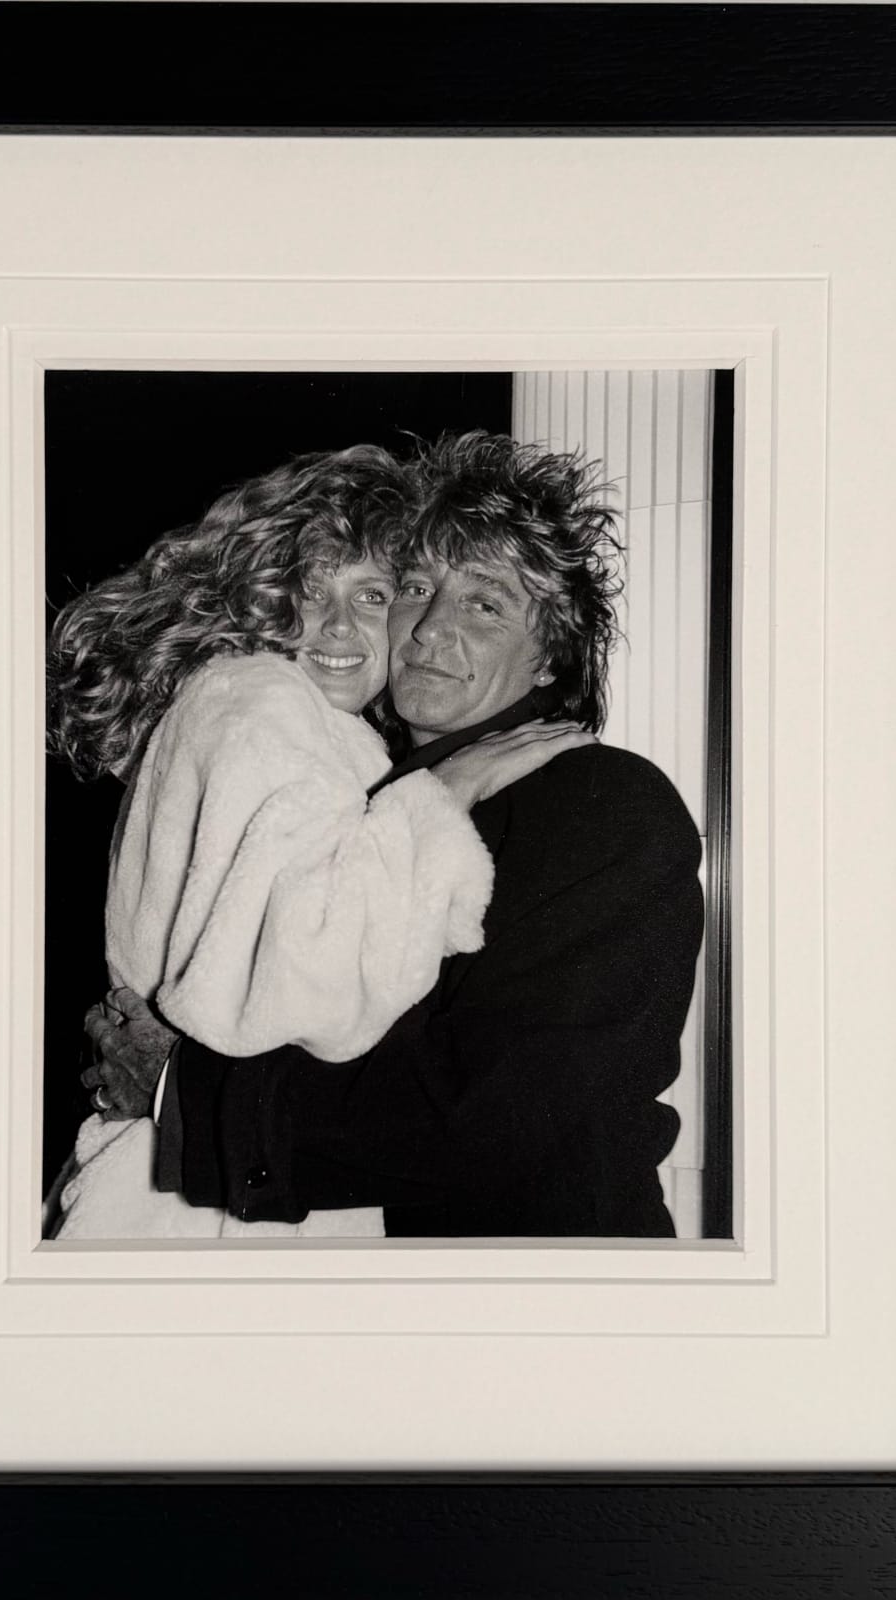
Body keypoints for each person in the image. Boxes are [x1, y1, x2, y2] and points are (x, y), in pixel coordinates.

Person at [88, 431, 705, 1238]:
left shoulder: (599, 801)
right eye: (414, 587)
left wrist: (185, 1096)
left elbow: (492, 1115)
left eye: (485, 604)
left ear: (552, 654)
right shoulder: (358, 793)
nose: (427, 630)